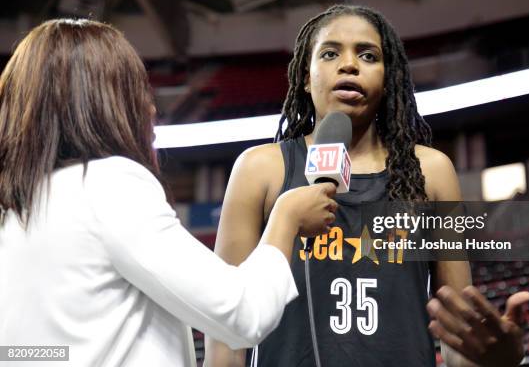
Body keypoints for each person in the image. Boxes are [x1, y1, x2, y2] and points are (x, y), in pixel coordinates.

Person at [205, 4, 529, 367]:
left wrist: (495, 361)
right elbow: (226, 337)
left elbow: (456, 338)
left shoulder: (434, 171)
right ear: (304, 76)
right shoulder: (259, 168)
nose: (349, 64)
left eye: (368, 55)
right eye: (330, 53)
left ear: (387, 76)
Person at [0, 19, 338, 367]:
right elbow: (241, 315)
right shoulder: (109, 185)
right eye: (135, 93)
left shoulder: (16, 207)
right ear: (100, 104)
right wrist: (285, 217)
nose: (150, 109)